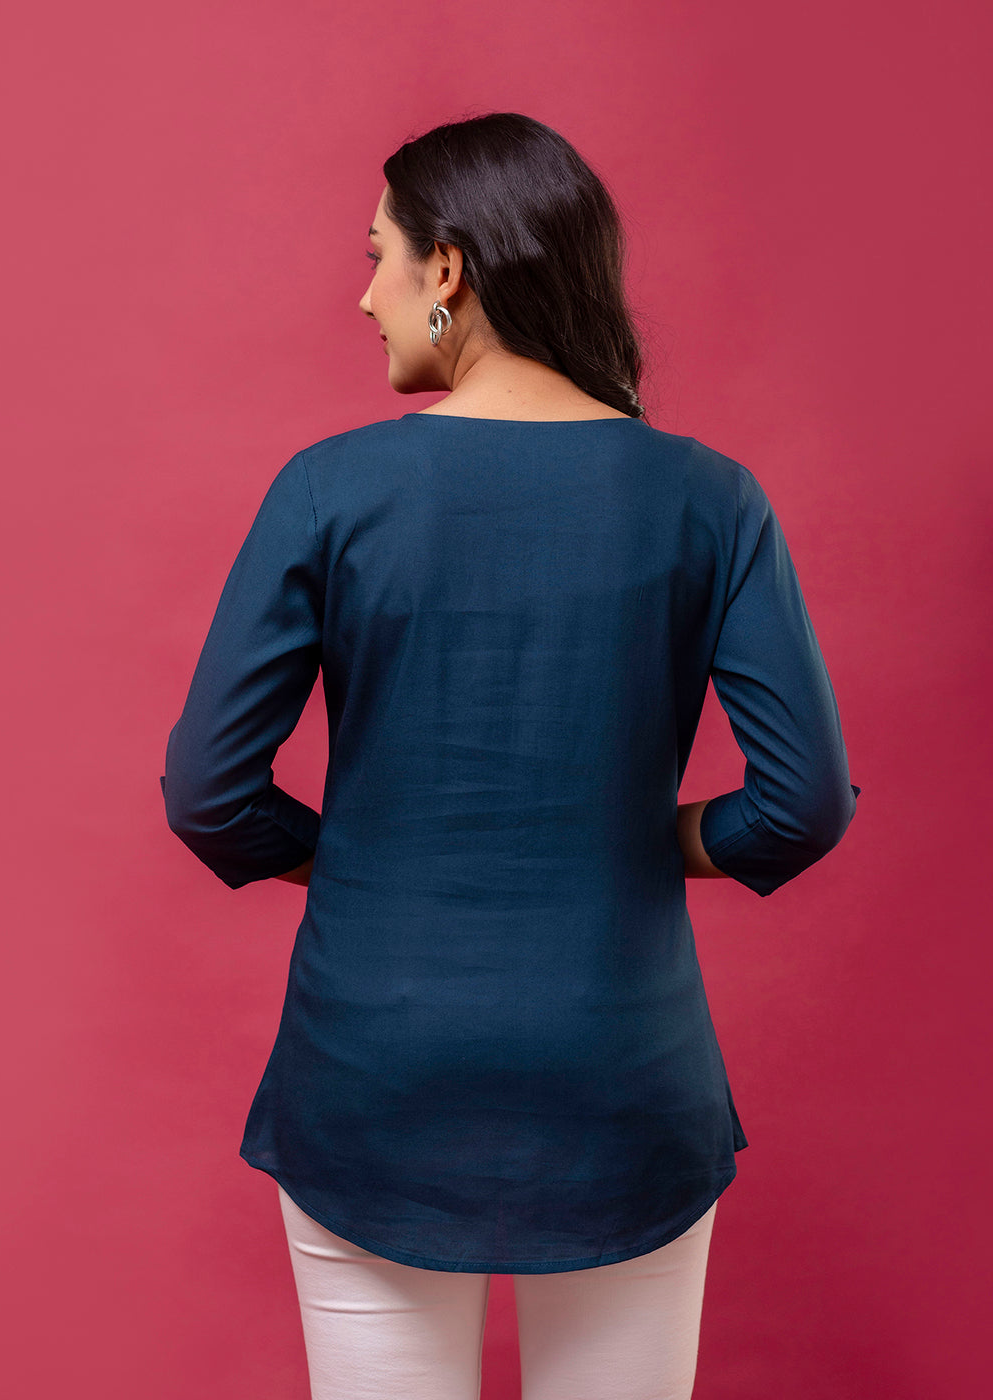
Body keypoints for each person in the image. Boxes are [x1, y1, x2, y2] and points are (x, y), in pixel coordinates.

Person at [159, 111, 861, 1400]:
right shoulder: (711, 499)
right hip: (623, 1083)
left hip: (372, 1080)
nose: (363, 296)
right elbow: (804, 804)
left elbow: (208, 791)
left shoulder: (329, 489)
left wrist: (347, 855)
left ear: (447, 268)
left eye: (377, 257)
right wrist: (665, 839)